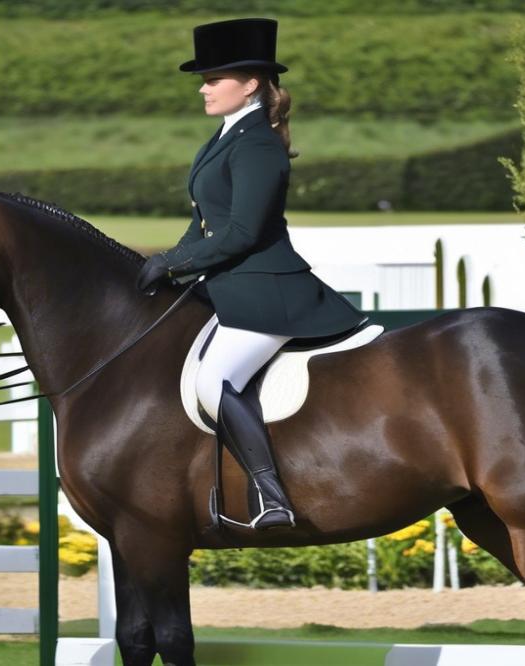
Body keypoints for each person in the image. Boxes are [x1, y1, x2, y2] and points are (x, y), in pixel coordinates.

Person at [136, 18, 367, 530]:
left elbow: (242, 231)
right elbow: (205, 223)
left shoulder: (257, 144)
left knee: (215, 380)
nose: (203, 87)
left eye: (214, 78)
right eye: (205, 78)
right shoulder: (224, 137)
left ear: (251, 84)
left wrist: (175, 263)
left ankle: (273, 498)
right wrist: (165, 262)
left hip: (268, 293)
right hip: (232, 288)